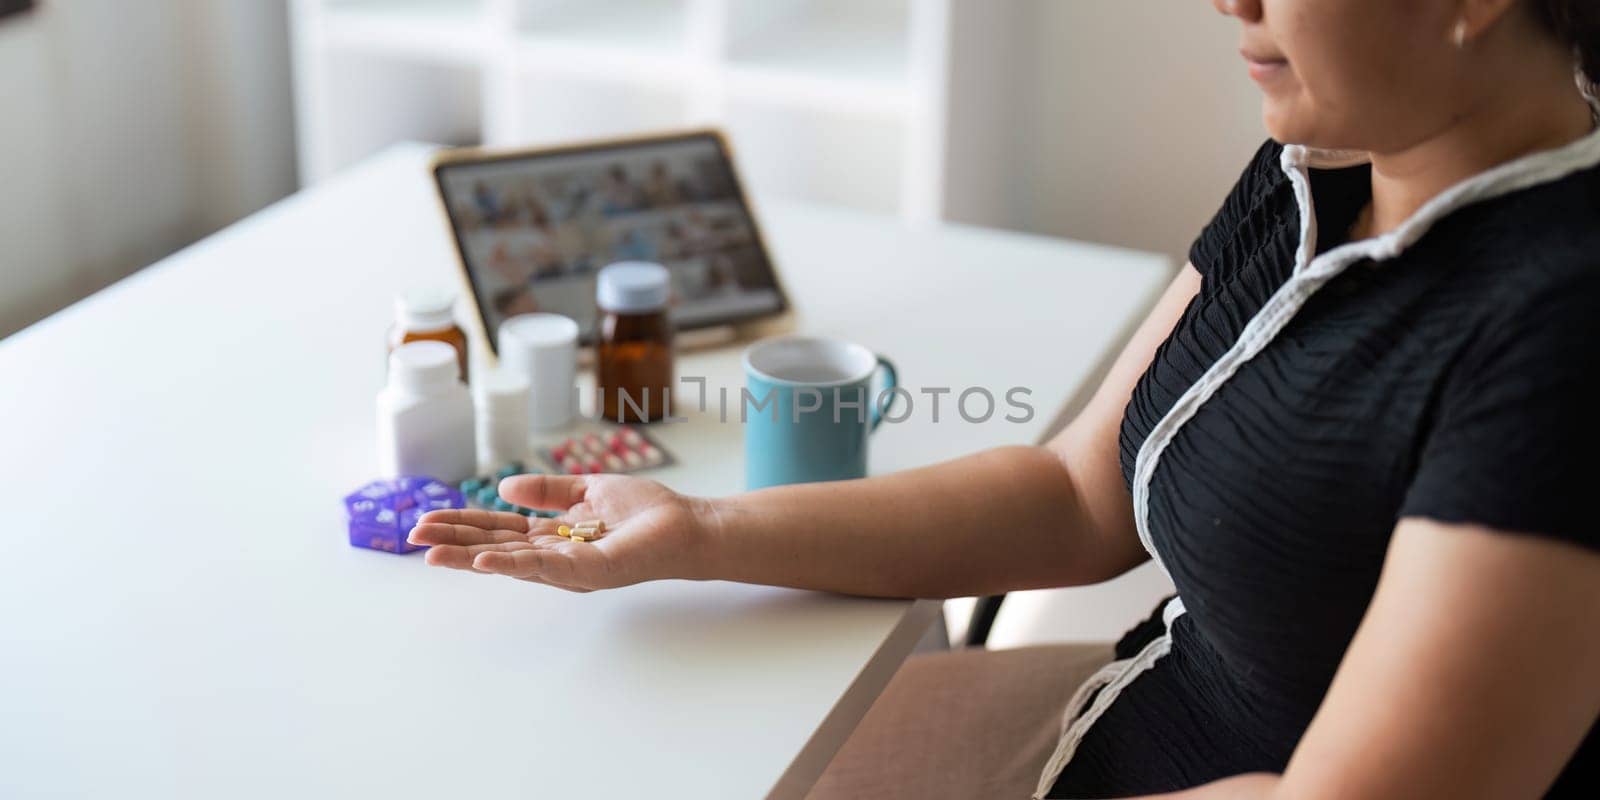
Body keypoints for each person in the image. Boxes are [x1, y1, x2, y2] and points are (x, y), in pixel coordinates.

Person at [408, 0, 1600, 796]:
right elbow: (1080, 491)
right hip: (1131, 712)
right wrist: (701, 531)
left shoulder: (1558, 328)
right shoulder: (1325, 164)